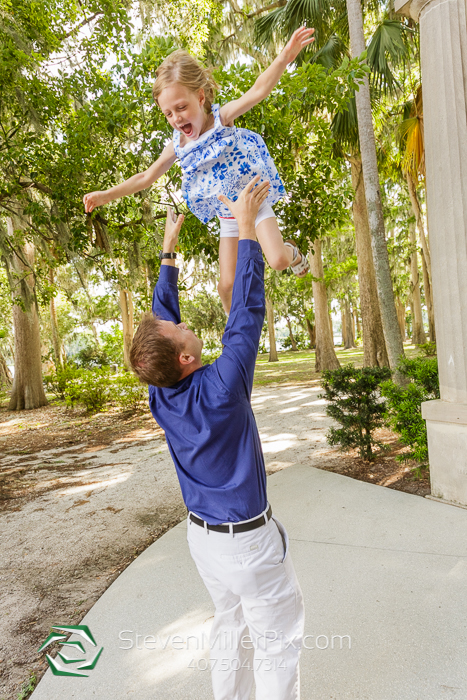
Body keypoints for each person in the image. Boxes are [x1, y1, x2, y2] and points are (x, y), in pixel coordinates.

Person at [129, 176, 305, 700]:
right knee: (278, 645)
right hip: (248, 543)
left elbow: (159, 328)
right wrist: (246, 229)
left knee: (231, 631)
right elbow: (246, 313)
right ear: (184, 357)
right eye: (177, 330)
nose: (178, 323)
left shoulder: (161, 392)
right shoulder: (225, 384)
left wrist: (168, 256)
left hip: (203, 541)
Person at [83, 27, 315, 313]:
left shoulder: (222, 119)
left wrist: (284, 57)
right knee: (225, 287)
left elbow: (258, 90)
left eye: (181, 107)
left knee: (278, 261)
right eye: (168, 113)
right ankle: (236, 343)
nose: (176, 118)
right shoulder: (178, 145)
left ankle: (294, 253)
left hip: (253, 203)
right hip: (228, 216)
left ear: (201, 97)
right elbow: (146, 177)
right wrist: (106, 195)